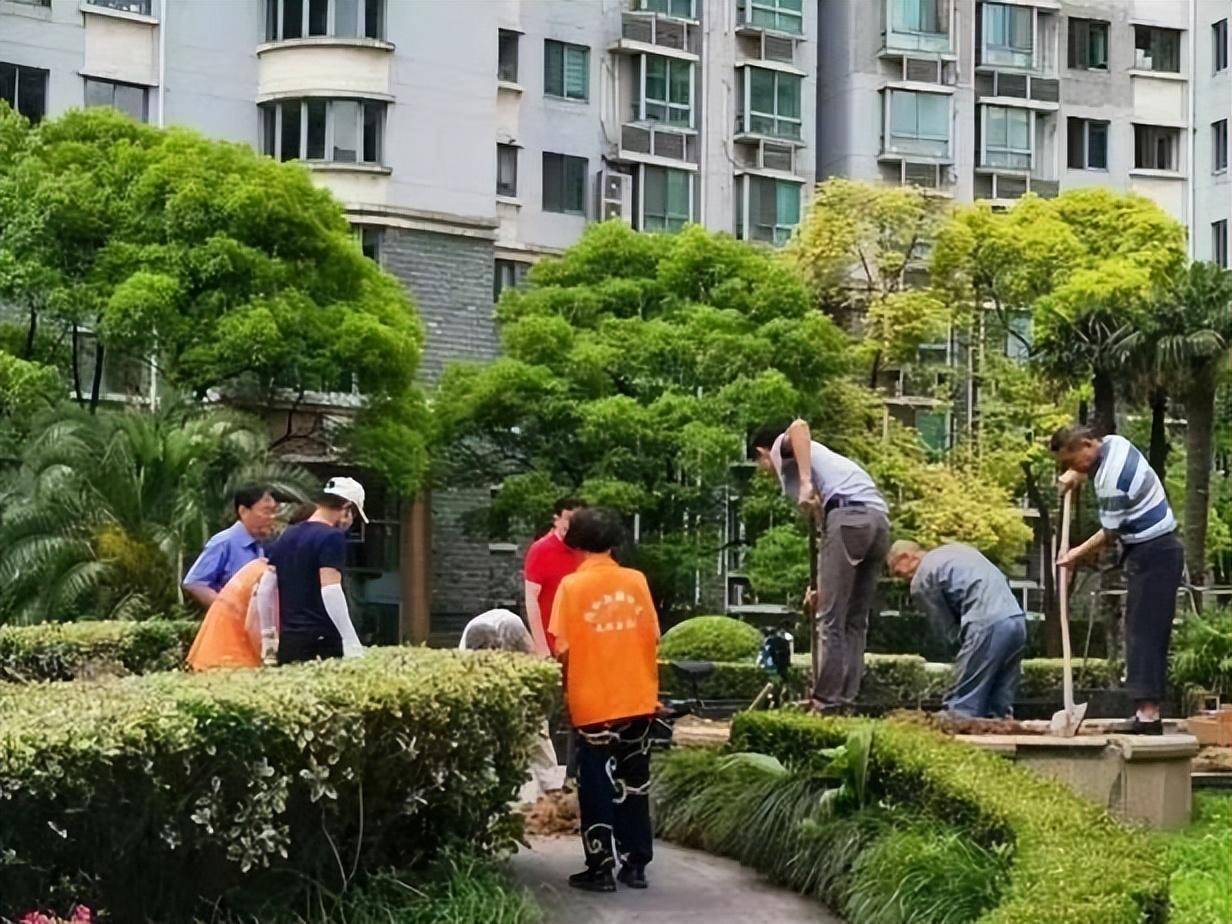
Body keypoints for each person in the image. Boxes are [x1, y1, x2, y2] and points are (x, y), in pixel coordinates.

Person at [549, 508, 659, 893]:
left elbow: (562, 649)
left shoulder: (570, 588)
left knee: (595, 785)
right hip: (638, 698)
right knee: (635, 783)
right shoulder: (637, 581)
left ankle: (600, 868)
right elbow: (654, 636)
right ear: (613, 543)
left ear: (574, 544)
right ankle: (636, 865)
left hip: (593, 703)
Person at [1050, 425, 1183, 735]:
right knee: (1141, 631)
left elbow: (1110, 533)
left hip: (1155, 553)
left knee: (1143, 634)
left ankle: (1148, 718)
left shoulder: (1112, 480)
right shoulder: (1114, 443)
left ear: (1086, 444)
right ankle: (1148, 713)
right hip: (1157, 549)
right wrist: (1076, 475)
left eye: (1073, 461)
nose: (1074, 468)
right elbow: (1092, 466)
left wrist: (1073, 555)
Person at [751, 419, 891, 711]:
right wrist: (818, 585)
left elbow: (799, 426)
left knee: (830, 618)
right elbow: (824, 534)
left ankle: (825, 701)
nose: (763, 472)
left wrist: (804, 482)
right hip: (877, 523)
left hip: (849, 516)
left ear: (762, 452)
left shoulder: (782, 449)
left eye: (759, 464)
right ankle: (845, 699)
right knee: (854, 620)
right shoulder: (827, 465)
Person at [886, 540, 1027, 719]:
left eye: (898, 572)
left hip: (986, 622)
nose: (902, 579)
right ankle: (999, 724)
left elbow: (944, 628)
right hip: (1016, 618)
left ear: (907, 557)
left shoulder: (923, 576)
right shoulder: (957, 550)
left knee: (962, 706)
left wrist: (958, 654)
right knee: (997, 704)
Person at [458, 608, 564, 800]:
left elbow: (534, 660)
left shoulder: (512, 628)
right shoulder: (466, 655)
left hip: (515, 661)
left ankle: (553, 790)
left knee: (537, 729)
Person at [267, 477, 368, 665]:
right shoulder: (332, 537)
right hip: (322, 641)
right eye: (353, 516)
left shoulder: (288, 535)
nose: (350, 524)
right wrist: (350, 639)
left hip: (289, 641)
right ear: (346, 508)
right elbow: (331, 590)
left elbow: (265, 590)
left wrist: (268, 643)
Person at [182, 485, 278, 608]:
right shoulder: (224, 542)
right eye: (266, 511)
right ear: (243, 511)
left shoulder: (260, 545)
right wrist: (227, 609)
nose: (272, 517)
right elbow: (195, 583)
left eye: (274, 511)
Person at [186, 558, 276, 671]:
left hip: (210, 652)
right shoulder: (267, 574)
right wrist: (268, 654)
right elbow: (252, 625)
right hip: (234, 657)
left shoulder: (252, 569)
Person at [524, 498, 585, 657]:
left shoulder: (588, 551)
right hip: (552, 643)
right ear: (556, 520)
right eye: (567, 519)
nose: (571, 525)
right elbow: (531, 599)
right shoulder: (541, 550)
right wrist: (542, 647)